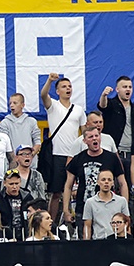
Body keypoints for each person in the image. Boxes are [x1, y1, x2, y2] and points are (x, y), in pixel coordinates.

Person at [63, 125, 127, 237]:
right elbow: (68, 186)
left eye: (97, 136)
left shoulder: (111, 158)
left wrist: (124, 207)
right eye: (91, 137)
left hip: (107, 209)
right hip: (82, 208)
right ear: (84, 141)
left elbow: (122, 183)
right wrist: (66, 210)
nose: (94, 139)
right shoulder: (78, 159)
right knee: (85, 243)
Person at [40, 73, 87, 221]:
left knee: (79, 190)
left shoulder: (78, 109)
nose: (68, 89)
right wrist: (49, 80)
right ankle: (50, 224)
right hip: (57, 154)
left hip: (75, 155)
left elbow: (84, 131)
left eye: (69, 86)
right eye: (64, 86)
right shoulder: (53, 106)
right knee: (56, 192)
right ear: (57, 91)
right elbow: (43, 95)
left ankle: (78, 220)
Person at [98, 75, 134, 178]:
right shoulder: (111, 105)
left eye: (130, 87)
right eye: (124, 87)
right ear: (117, 89)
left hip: (132, 155)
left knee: (129, 184)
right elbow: (103, 106)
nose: (128, 89)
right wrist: (104, 95)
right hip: (114, 153)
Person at [82, 169, 130, 240]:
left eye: (109, 180)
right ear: (98, 182)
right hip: (99, 241)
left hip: (118, 241)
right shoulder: (90, 202)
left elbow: (127, 224)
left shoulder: (122, 201)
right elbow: (87, 226)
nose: (106, 182)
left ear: (113, 183)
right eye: (103, 180)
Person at [0, 169, 34, 241]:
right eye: (11, 184)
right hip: (5, 237)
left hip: (25, 236)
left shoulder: (27, 197)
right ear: (4, 183)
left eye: (17, 183)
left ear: (20, 182)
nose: (14, 187)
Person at [0, 93, 41, 168]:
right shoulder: (5, 123)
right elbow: (3, 145)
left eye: (15, 103)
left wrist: (29, 156)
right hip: (12, 166)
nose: (11, 105)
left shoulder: (31, 121)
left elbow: (37, 142)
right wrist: (14, 159)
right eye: (10, 103)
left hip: (30, 166)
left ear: (22, 105)